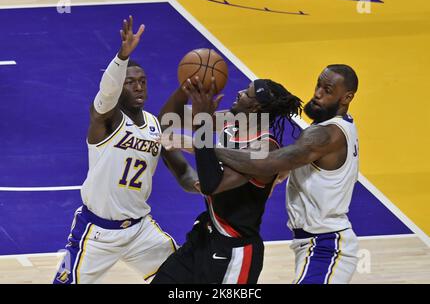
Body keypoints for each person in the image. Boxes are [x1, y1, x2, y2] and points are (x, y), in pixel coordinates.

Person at [53, 16, 198, 284]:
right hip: (97, 232)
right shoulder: (107, 120)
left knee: (184, 279)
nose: (139, 86)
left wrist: (200, 184)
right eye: (131, 82)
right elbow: (106, 93)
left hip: (140, 230)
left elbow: (181, 171)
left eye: (143, 81)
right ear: (120, 86)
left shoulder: (155, 126)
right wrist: (122, 57)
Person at [213, 64, 360, 284]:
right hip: (313, 244)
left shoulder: (326, 134)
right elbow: (287, 166)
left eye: (327, 90)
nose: (318, 93)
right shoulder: (336, 127)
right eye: (318, 85)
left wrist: (205, 148)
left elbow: (268, 163)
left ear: (347, 97)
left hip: (326, 245)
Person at [151, 77, 302, 284]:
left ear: (256, 107)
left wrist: (200, 131)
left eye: (246, 92)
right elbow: (168, 120)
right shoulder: (231, 123)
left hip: (234, 252)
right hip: (204, 238)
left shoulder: (264, 149)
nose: (239, 92)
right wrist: (186, 89)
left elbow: (212, 185)